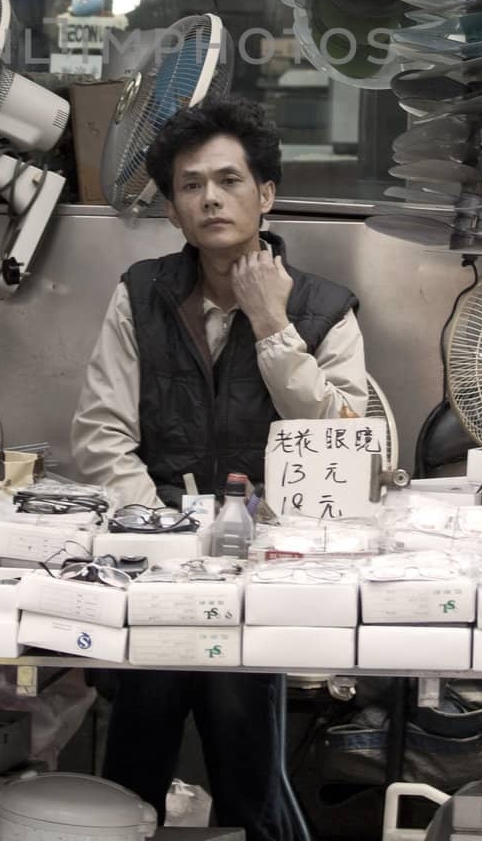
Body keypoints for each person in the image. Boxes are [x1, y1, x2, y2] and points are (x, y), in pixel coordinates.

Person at [72, 96, 366, 841]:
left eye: (229, 180)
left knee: (246, 759)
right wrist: (173, 536)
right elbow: (102, 436)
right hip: (156, 564)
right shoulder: (140, 296)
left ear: (264, 195)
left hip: (268, 568)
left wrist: (272, 326)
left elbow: (345, 450)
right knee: (134, 753)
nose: (210, 198)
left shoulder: (325, 309)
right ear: (171, 208)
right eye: (191, 184)